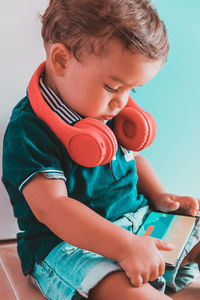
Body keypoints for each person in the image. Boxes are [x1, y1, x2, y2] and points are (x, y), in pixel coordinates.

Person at [2, 0, 200, 299]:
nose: (122, 102)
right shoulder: (29, 130)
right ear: (61, 61)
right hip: (69, 247)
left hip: (139, 223)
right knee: (127, 291)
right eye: (112, 87)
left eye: (131, 90)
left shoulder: (105, 110)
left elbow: (132, 162)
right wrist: (123, 246)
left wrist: (160, 196)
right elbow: (53, 209)